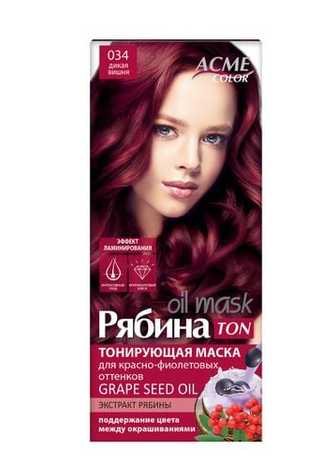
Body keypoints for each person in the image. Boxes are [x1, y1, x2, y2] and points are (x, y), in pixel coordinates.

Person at [91, 41, 261, 343]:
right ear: (116, 126)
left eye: (213, 138)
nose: (192, 162)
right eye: (165, 130)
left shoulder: (247, 274)